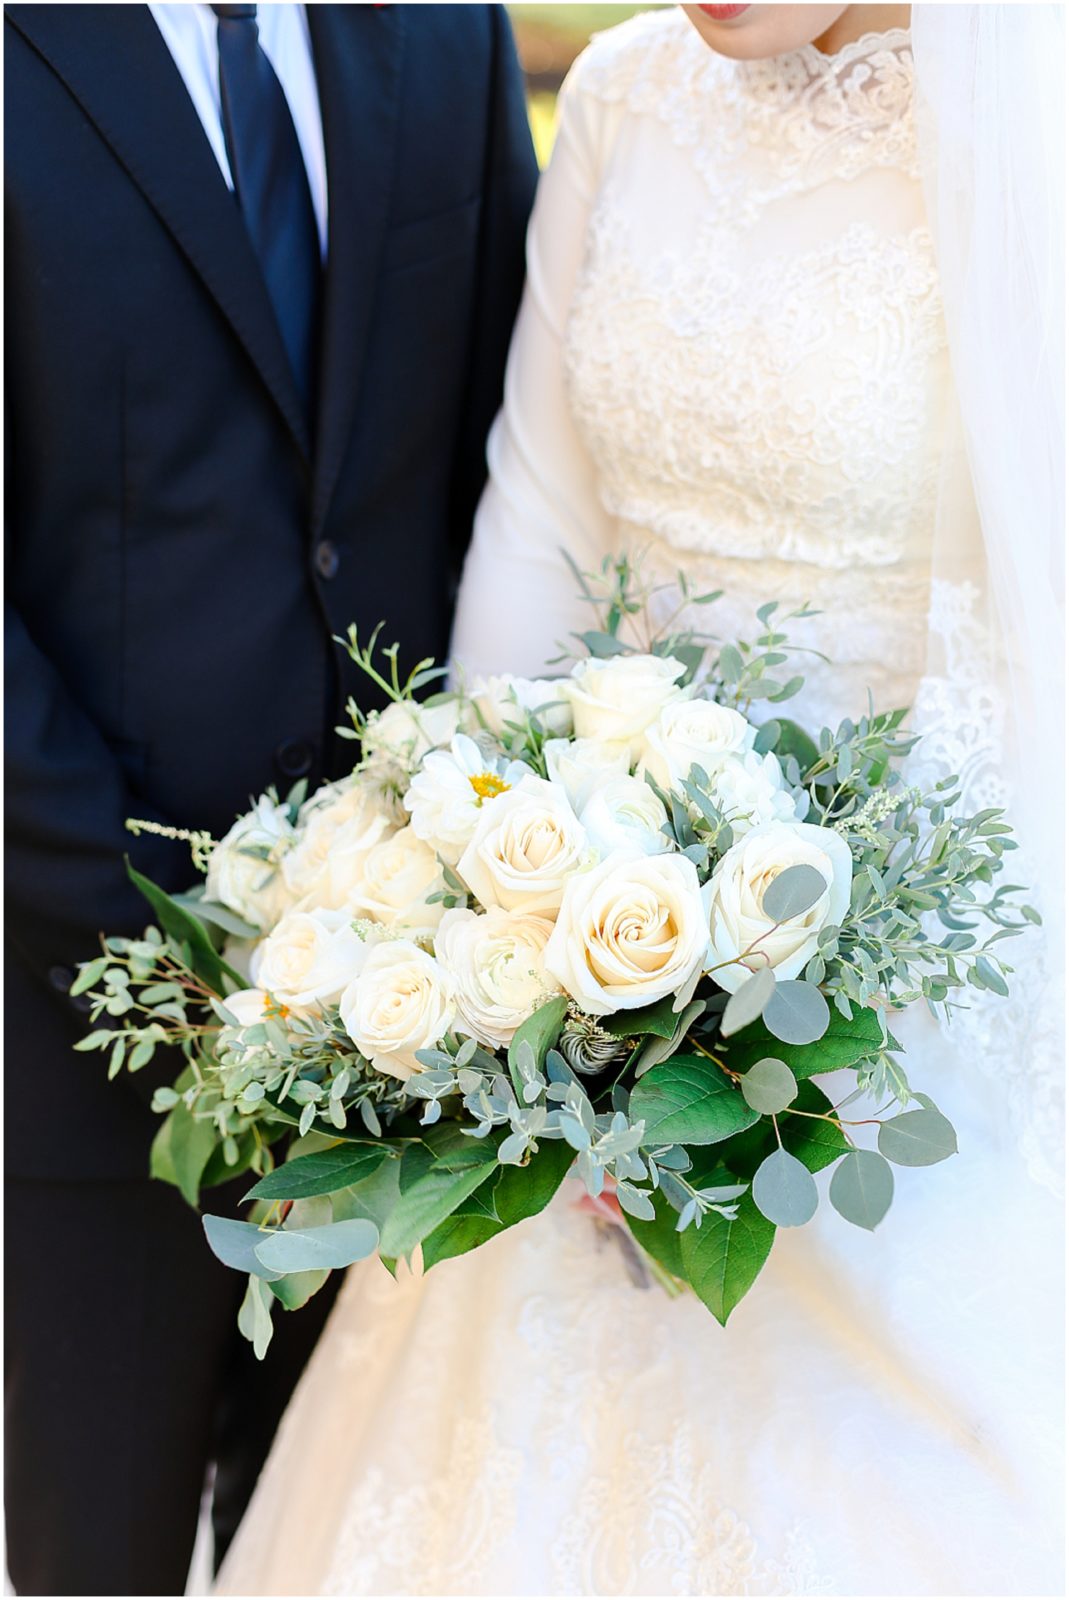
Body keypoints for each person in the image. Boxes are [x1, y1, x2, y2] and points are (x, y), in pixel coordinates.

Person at [218, 3, 1063, 1593]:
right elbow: (537, 524)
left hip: (907, 953)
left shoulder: (1031, 122)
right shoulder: (620, 92)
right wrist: (490, 901)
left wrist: (806, 1004)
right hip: (586, 913)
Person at [3, 3, 537, 1593]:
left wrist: (461, 898)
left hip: (421, 1020)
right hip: (74, 1013)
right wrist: (145, 926)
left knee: (349, 1552)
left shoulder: (441, 36)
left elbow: (499, 465)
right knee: (97, 1555)